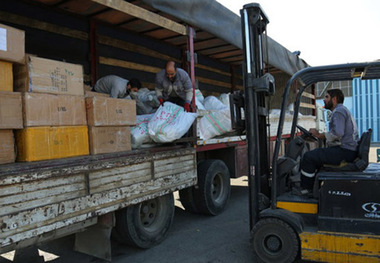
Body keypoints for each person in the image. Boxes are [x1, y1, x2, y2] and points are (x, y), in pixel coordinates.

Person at [300, 89, 359, 191]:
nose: (324, 100)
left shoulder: (339, 111)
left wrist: (319, 134)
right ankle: (316, 186)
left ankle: (306, 190)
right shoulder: (342, 110)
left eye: (326, 97)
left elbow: (337, 133)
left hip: (345, 151)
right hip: (347, 150)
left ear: (334, 99)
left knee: (308, 157)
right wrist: (320, 135)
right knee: (317, 156)